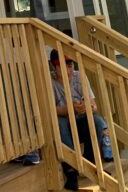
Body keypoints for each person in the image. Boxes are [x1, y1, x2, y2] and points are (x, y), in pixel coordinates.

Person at [50, 49, 113, 190]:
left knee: (96, 121)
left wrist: (87, 107)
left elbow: (94, 105)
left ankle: (91, 163)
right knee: (59, 122)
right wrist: (69, 109)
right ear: (54, 67)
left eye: (70, 65)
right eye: (63, 66)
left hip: (80, 122)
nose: (68, 70)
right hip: (64, 128)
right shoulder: (50, 81)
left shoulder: (80, 77)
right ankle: (71, 171)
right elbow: (49, 110)